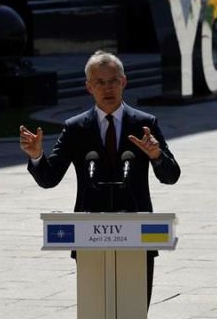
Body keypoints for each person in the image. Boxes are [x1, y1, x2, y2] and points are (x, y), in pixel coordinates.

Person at [19, 50, 181, 306]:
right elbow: (49, 178)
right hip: (89, 235)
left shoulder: (144, 123)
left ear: (124, 82)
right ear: (88, 87)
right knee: (96, 314)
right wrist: (37, 156)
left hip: (137, 235)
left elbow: (171, 176)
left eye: (113, 80)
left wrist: (156, 155)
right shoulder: (75, 128)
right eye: (100, 82)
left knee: (134, 313)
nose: (108, 88)